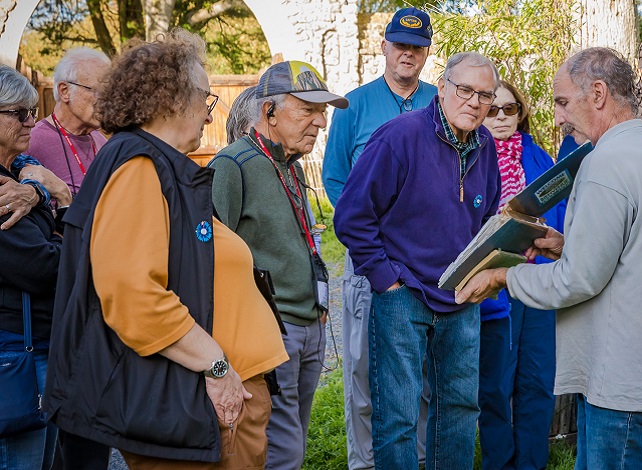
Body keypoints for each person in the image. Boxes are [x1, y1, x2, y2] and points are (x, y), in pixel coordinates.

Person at [44, 29, 288, 469]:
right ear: (170, 99)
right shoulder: (139, 166)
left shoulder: (158, 167)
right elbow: (133, 295)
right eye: (205, 101)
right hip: (201, 399)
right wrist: (217, 367)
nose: (209, 118)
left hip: (216, 396)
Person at [457, 47, 642, 470]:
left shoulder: (604, 164)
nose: (559, 118)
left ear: (599, 93)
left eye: (564, 102)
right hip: (641, 365)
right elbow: (633, 247)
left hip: (619, 373)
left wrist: (502, 279)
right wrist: (565, 243)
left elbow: (577, 281)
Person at [334, 51, 501, 469]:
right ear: (442, 88)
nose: (474, 102)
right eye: (465, 90)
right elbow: (352, 216)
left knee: (461, 411)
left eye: (485, 95)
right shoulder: (399, 137)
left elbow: (485, 218)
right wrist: (385, 279)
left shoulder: (485, 145)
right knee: (398, 417)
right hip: (402, 292)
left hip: (460, 294)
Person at [208, 60, 348, 470]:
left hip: (309, 326)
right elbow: (210, 257)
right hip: (270, 333)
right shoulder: (231, 165)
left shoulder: (293, 165)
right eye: (308, 110)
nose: (321, 122)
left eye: (321, 112)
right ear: (269, 110)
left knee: (293, 441)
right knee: (280, 451)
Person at [321, 7, 436, 468]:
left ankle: (420, 459)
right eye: (399, 44)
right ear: (384, 47)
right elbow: (334, 182)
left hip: (429, 262)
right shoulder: (354, 105)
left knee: (425, 373)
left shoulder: (440, 101)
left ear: (426, 53)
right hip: (371, 260)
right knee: (364, 371)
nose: (407, 53)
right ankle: (366, 463)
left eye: (416, 46)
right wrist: (369, 239)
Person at [477, 79, 566, 469]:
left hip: (537, 279)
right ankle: (500, 462)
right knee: (495, 383)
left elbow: (559, 215)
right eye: (491, 109)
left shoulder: (540, 158)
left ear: (520, 113)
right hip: (492, 285)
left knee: (536, 379)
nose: (499, 117)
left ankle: (532, 462)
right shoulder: (470, 157)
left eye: (508, 109)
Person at [0, 63, 71, 470]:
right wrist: (55, 200)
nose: (31, 121)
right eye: (19, 113)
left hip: (39, 346)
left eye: (32, 111)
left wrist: (41, 189)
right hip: (15, 353)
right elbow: (47, 268)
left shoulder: (20, 176)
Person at [27, 48, 110, 197]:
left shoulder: (102, 142)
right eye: (98, 91)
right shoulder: (31, 143)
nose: (107, 100)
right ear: (65, 91)